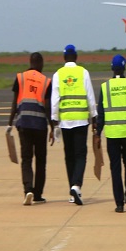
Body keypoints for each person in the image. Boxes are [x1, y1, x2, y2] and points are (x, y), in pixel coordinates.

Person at [96, 54, 126, 213]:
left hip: (111, 134)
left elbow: (101, 114)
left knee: (115, 168)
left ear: (112, 68)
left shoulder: (105, 87)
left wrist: (98, 132)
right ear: (124, 68)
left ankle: (118, 203)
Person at [50, 44, 97, 205]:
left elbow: (54, 99)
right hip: (81, 120)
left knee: (69, 156)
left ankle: (72, 190)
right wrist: (94, 117)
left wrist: (54, 119)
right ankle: (76, 185)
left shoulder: (58, 74)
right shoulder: (83, 72)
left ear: (64, 58)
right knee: (80, 155)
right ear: (76, 57)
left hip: (65, 121)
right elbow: (90, 96)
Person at [8, 52, 53, 205]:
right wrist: (53, 127)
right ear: (40, 63)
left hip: (24, 124)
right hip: (40, 125)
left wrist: (9, 123)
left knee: (26, 158)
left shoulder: (20, 78)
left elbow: (14, 103)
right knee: (41, 159)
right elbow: (47, 107)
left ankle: (28, 189)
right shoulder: (46, 81)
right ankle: (38, 194)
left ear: (30, 62)